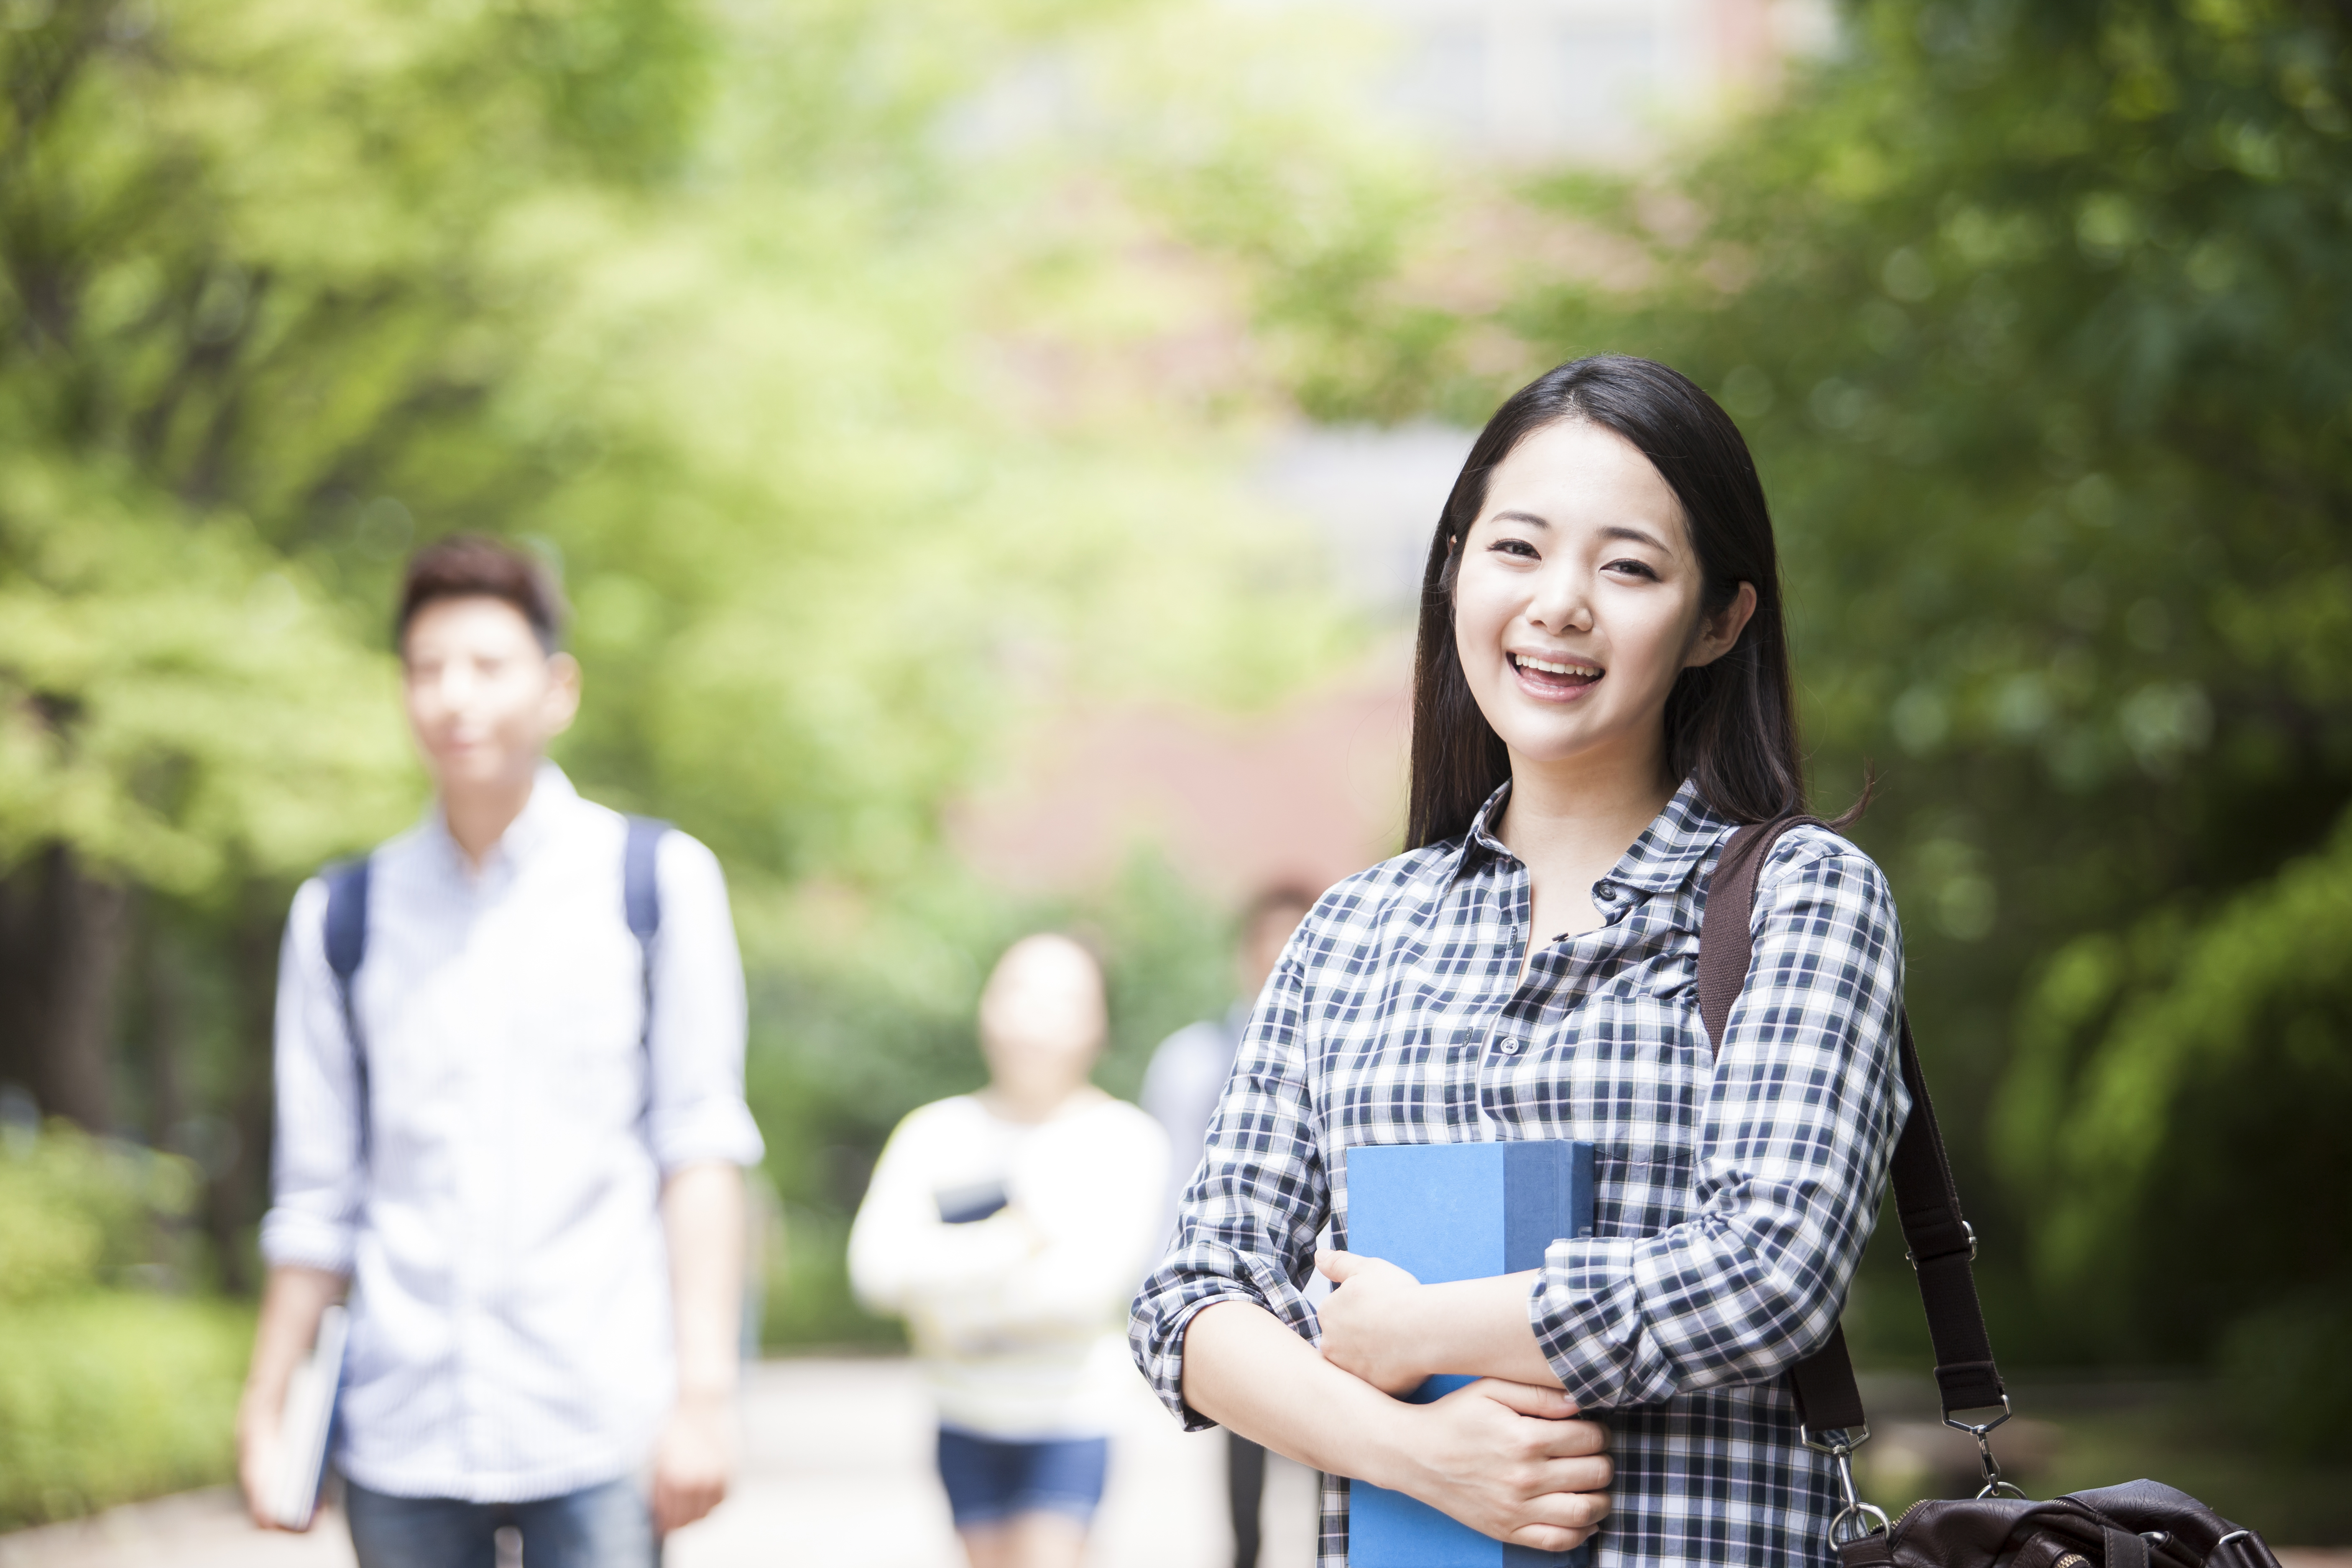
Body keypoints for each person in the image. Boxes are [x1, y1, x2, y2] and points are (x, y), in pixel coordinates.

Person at [1129, 355, 1910, 1568]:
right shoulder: (1351, 930)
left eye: (1630, 566)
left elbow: (1770, 1269)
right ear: (1453, 572)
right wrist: (1418, 1453)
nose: (1560, 603)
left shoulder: (1798, 896)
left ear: (1718, 620)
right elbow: (1191, 1298)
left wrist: (1419, 1329)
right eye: (1518, 549)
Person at [237, 536, 766, 1568]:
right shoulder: (341, 916)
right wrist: (266, 1410)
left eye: (486, 667)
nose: (453, 698)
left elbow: (698, 1151)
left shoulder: (654, 883)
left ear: (556, 689)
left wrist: (704, 1396)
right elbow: (316, 1194)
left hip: (599, 1416)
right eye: (427, 671)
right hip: (403, 1427)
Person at [850, 933, 1169, 1568]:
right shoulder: (933, 1131)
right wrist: (1018, 1242)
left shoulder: (1124, 1140)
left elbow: (1084, 1292)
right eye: (1018, 992)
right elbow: (876, 1271)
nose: (1033, 1018)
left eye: (1059, 999)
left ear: (1096, 1021)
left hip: (1069, 1420)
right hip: (960, 1417)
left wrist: (945, 1302)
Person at [1140, 885, 1320, 1568]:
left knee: (1336, 1474)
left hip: (1330, 1308)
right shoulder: (1190, 1060)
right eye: (1262, 943)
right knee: (1243, 1472)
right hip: (1237, 1305)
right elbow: (1176, 1181)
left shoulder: (1355, 1048)